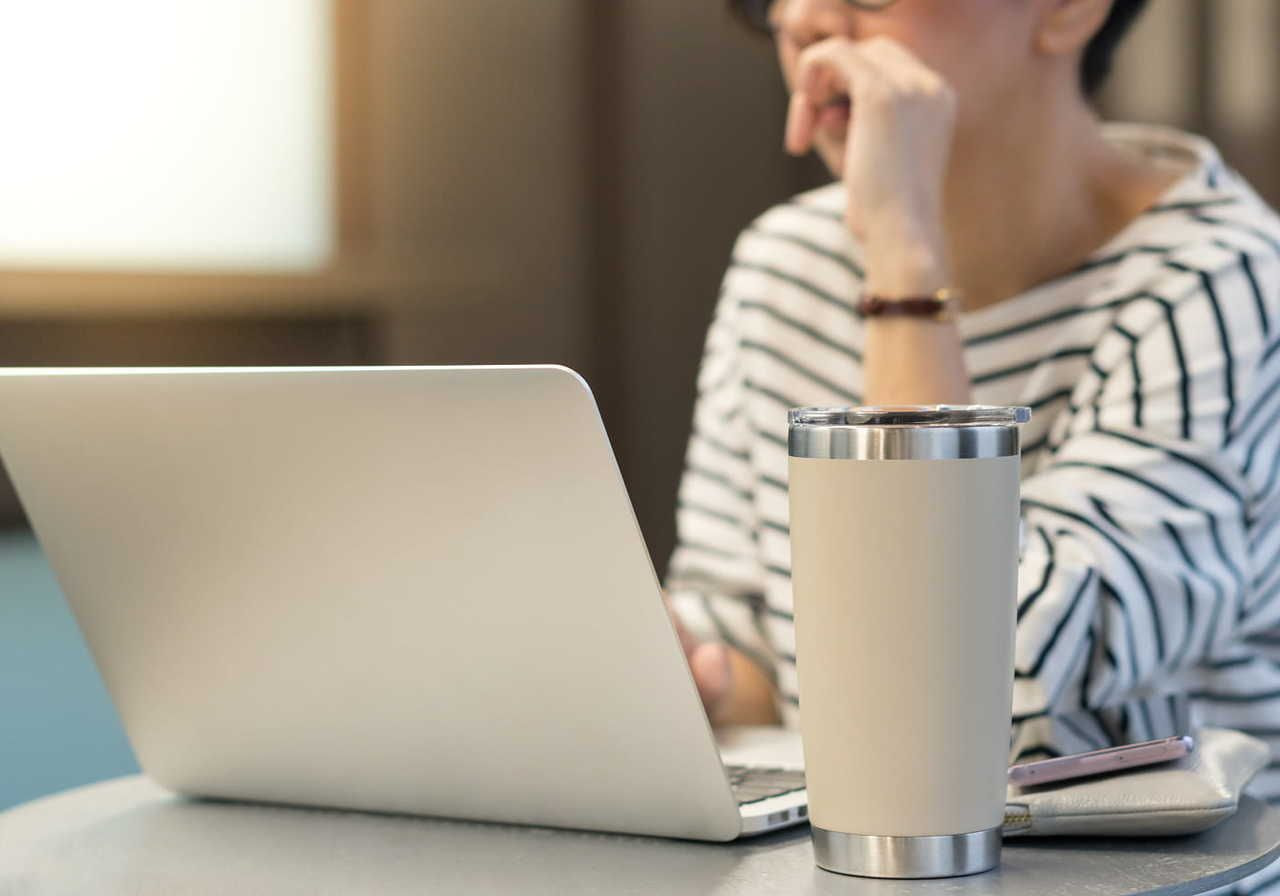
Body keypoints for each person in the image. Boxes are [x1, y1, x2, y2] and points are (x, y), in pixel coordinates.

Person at [665, 0, 1280, 884]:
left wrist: (907, 268)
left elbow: (982, 685)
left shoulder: (1219, 283)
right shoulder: (781, 268)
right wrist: (695, 675)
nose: (800, 19)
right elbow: (759, 648)